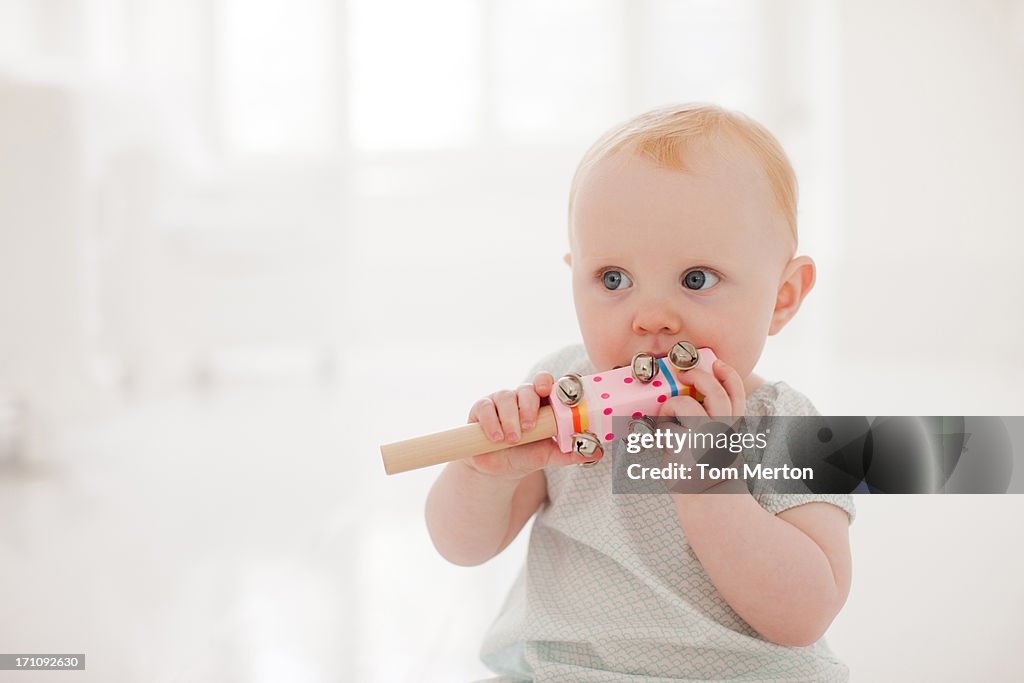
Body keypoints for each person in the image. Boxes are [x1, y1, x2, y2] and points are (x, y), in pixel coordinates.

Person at [425, 103, 856, 681]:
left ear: (782, 296)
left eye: (696, 279)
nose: (652, 317)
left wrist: (710, 480)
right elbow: (463, 547)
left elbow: (806, 613)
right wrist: (483, 471)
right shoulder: (563, 396)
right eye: (613, 280)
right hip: (564, 669)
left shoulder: (785, 423)